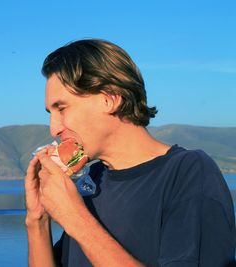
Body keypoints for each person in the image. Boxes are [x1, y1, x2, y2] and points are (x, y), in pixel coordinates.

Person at [24, 39, 236, 267]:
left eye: (62, 108)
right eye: (50, 112)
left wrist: (75, 218)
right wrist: (38, 219)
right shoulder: (92, 180)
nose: (53, 128)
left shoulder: (188, 172)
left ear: (110, 99)